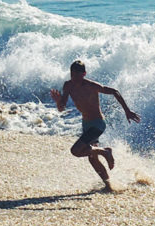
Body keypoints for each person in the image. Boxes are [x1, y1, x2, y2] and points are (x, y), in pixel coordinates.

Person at [50, 60, 140, 190]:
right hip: (86, 124)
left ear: (84, 74)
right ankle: (109, 185)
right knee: (92, 158)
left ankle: (105, 151)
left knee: (75, 151)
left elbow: (115, 91)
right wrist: (59, 102)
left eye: (77, 75)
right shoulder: (68, 86)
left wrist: (127, 110)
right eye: (72, 75)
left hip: (97, 124)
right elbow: (61, 108)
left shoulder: (91, 85)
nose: (74, 78)